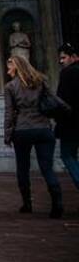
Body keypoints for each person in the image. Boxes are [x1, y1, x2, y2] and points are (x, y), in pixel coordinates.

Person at [4, 55, 63, 218]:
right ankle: (57, 201)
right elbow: (54, 100)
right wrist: (66, 111)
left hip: (22, 130)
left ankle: (27, 203)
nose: (7, 68)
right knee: (47, 168)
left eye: (10, 65)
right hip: (43, 128)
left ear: (17, 67)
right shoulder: (41, 81)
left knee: (22, 168)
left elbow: (9, 113)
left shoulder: (10, 87)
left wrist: (7, 134)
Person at [56, 43, 79, 195]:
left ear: (74, 57)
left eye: (64, 58)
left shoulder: (67, 73)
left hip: (71, 123)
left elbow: (61, 100)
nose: (61, 61)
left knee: (67, 154)